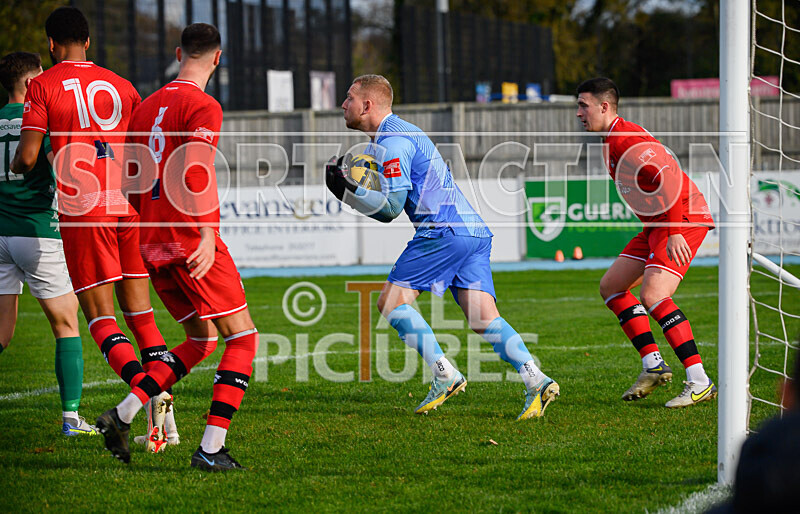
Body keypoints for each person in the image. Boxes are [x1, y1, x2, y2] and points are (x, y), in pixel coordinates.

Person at [326, 74, 559, 420]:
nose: (343, 104)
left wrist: (349, 192)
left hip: (442, 232)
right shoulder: (402, 133)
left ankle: (444, 373)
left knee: (390, 302)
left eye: (348, 98)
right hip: (472, 231)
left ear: (367, 105)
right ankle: (535, 379)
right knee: (484, 318)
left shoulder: (392, 142)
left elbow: (390, 209)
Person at [11, 7, 178, 446]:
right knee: (141, 317)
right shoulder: (123, 86)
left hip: (85, 212)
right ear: (88, 41)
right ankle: (164, 430)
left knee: (101, 320)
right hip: (130, 207)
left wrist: (19, 163)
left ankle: (141, 400)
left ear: (50, 45)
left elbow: (28, 157)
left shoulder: (41, 85)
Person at [95, 23, 258, 471]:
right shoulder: (203, 105)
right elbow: (197, 170)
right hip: (187, 235)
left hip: (151, 240)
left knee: (201, 339)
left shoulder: (145, 107)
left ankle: (122, 414)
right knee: (243, 338)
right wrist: (207, 231)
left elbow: (129, 179)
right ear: (217, 58)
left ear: (177, 52)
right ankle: (210, 449)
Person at [576, 77, 716, 407]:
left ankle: (699, 381)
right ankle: (653, 365)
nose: (579, 113)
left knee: (653, 294)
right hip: (660, 222)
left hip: (681, 217)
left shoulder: (624, 137)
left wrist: (673, 231)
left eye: (583, 105)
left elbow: (669, 175)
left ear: (604, 106)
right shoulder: (612, 139)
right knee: (611, 286)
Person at [0, 51, 94, 436]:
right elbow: (62, 167)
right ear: (30, 82)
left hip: (0, 234)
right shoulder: (38, 119)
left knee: (3, 335)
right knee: (67, 323)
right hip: (37, 231)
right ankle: (71, 418)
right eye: (41, 78)